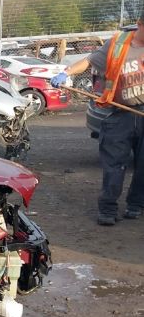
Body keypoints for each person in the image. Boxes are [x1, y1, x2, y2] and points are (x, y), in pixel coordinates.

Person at [51, 12, 144, 225]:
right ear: (139, 25)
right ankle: (108, 209)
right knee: (114, 165)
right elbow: (89, 61)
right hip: (121, 113)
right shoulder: (118, 45)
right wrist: (66, 73)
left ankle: (136, 204)